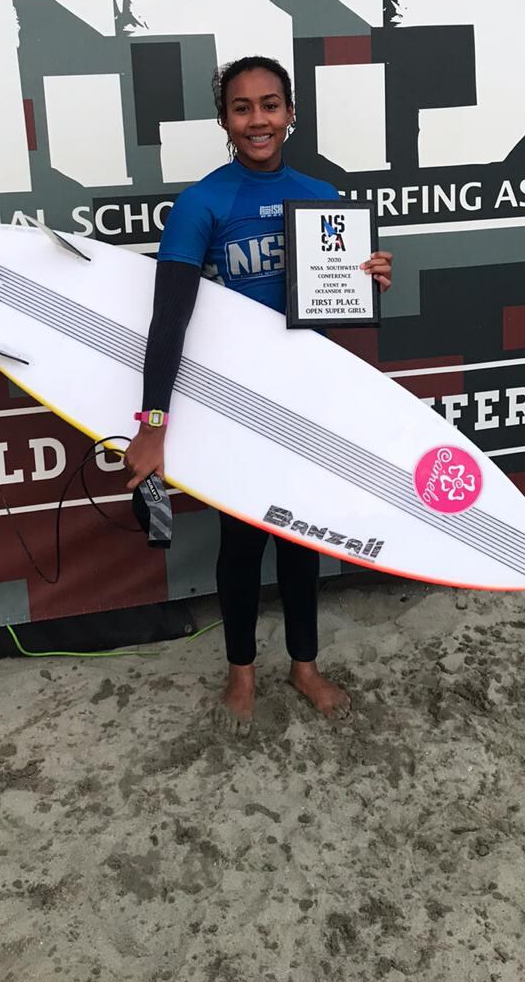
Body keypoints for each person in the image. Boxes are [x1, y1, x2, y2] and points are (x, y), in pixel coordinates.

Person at [122, 55, 393, 728]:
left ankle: (304, 666)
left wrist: (366, 280)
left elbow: (326, 309)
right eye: (241, 108)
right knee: (242, 543)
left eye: (270, 105)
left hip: (304, 398)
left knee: (302, 538)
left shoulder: (322, 198)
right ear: (224, 120)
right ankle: (241, 674)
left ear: (290, 113)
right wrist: (153, 423)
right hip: (235, 407)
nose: (257, 120)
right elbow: (168, 320)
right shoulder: (202, 204)